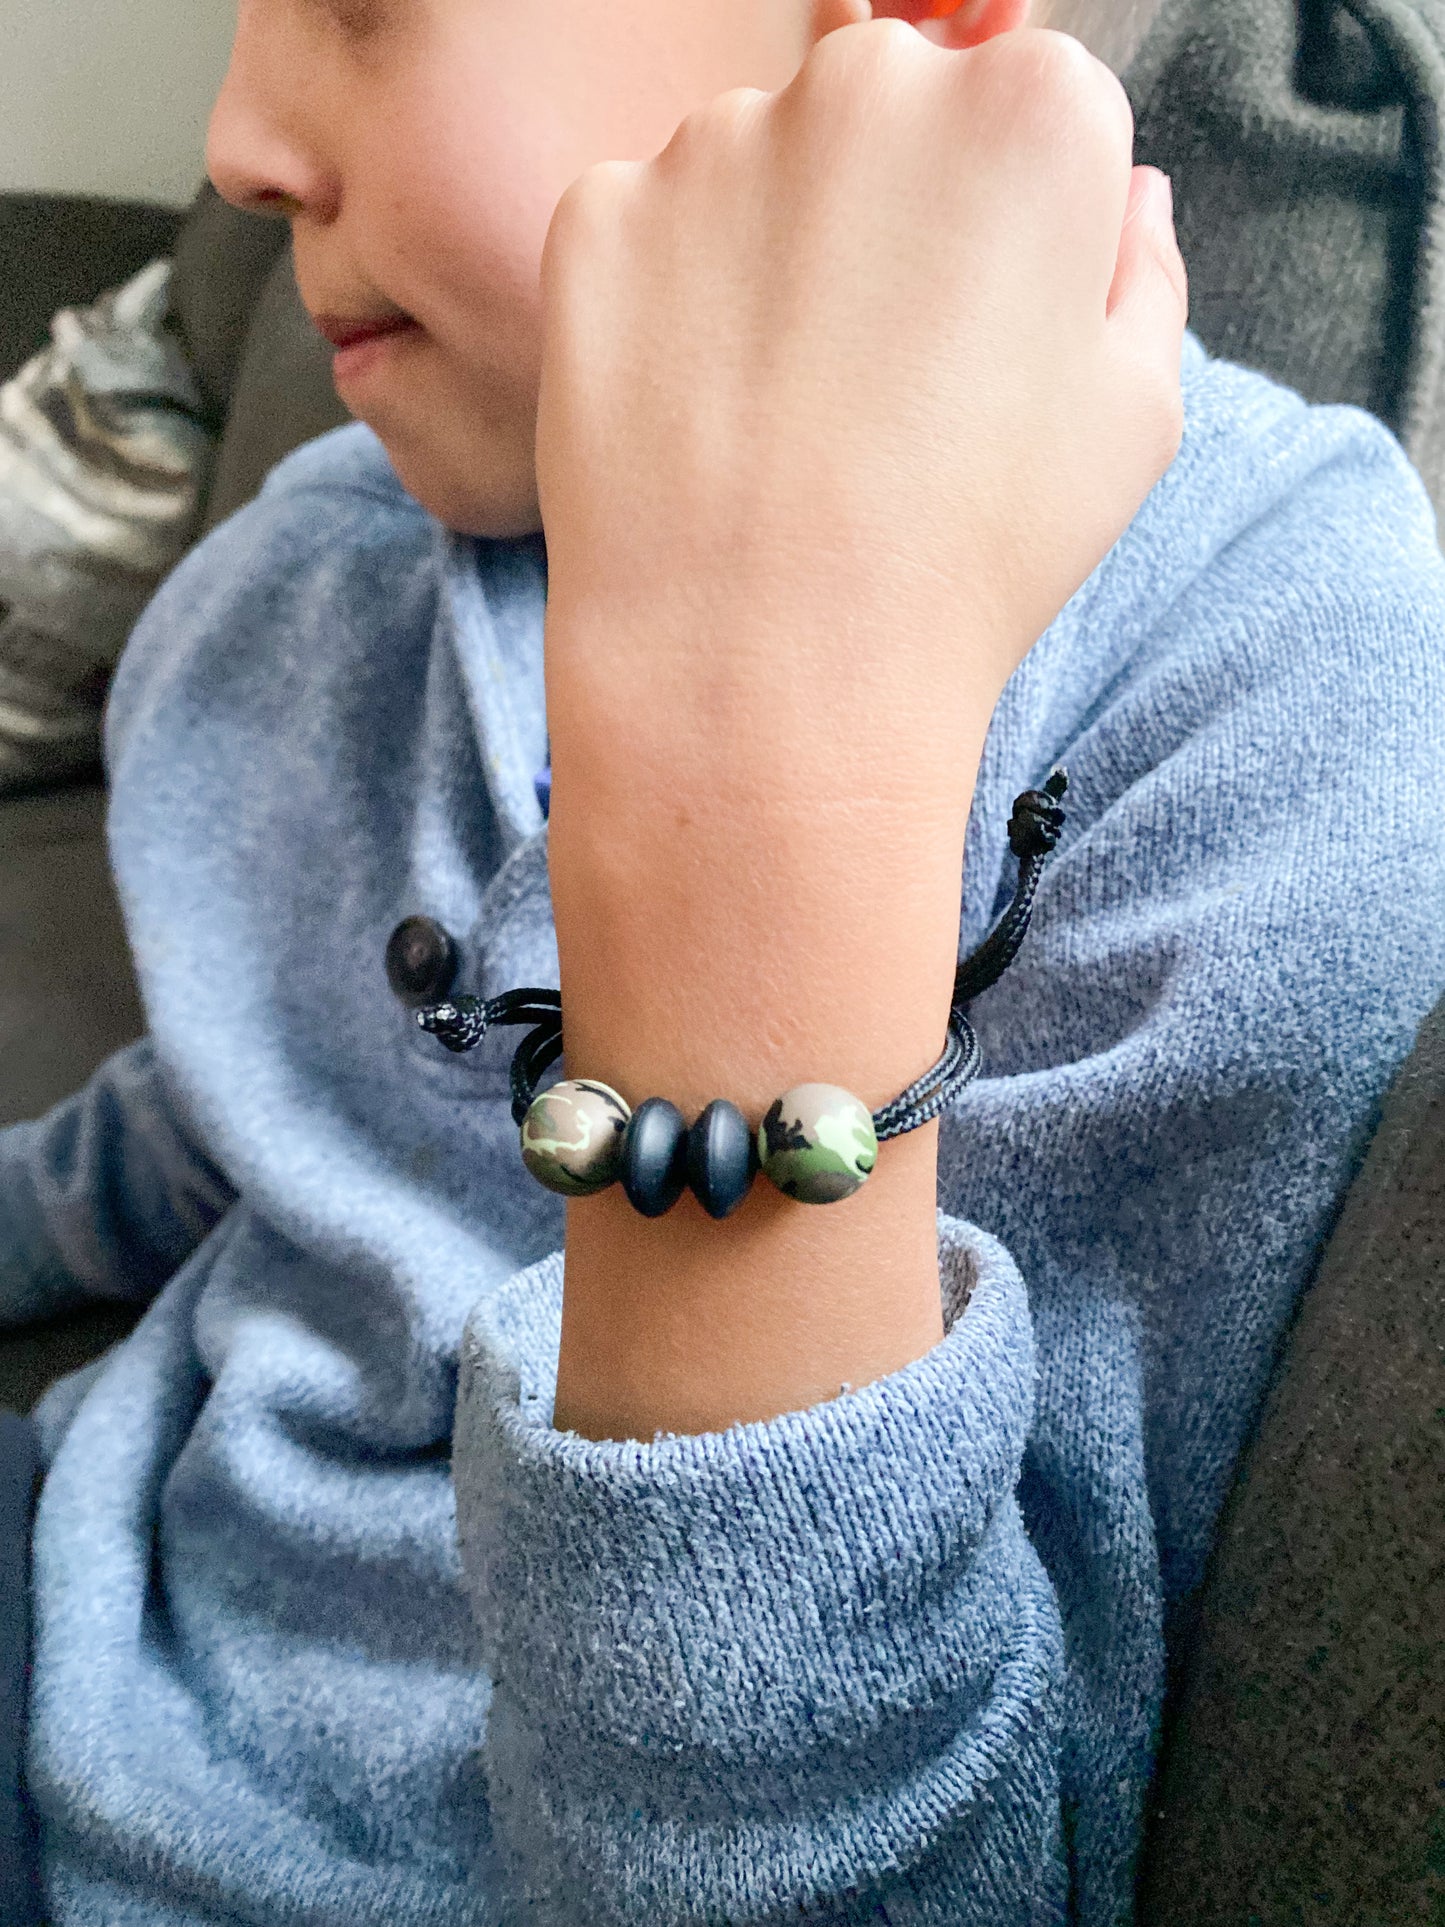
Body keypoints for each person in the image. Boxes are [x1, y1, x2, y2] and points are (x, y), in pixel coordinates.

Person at [2, 0, 1442, 1921]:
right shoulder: (322, 566)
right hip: (77, 1591)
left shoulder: (1265, 637)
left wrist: (765, 780)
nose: (238, 143)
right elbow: (235, 1104)